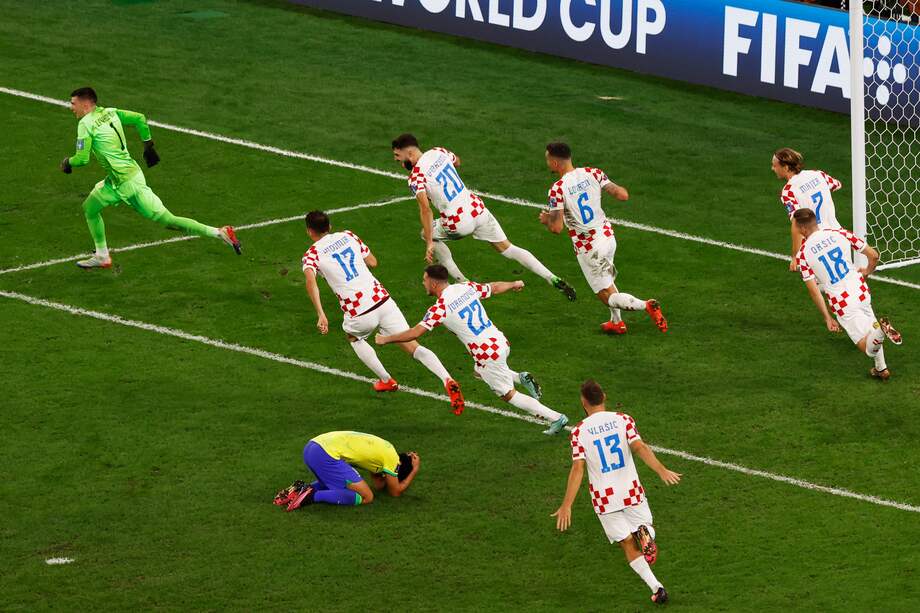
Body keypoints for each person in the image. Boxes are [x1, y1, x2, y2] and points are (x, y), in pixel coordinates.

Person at [375, 264, 569, 435]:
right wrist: (514, 283)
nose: (423, 284)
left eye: (424, 280)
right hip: (499, 340)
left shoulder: (440, 308)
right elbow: (493, 287)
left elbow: (415, 333)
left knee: (508, 395)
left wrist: (386, 338)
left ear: (434, 283)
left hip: (486, 353)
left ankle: (555, 417)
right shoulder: (465, 287)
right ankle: (520, 377)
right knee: (479, 372)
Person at [302, 211, 464, 413]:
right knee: (411, 344)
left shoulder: (312, 254)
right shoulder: (349, 235)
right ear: (330, 226)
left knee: (354, 338)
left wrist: (321, 313)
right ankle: (447, 378)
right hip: (381, 299)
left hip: (358, 310)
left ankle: (386, 379)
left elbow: (311, 283)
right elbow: (373, 262)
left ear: (310, 231)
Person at [61, 87, 240, 269]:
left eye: (73, 103)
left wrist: (68, 162)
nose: (71, 107)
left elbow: (82, 159)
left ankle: (102, 256)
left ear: (85, 104)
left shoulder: (86, 124)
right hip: (130, 176)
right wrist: (148, 145)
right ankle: (219, 232)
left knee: (164, 220)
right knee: (93, 208)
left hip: (124, 184)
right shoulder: (110, 112)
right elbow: (139, 118)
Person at [391, 133, 576, 301]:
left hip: (457, 222)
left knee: (425, 233)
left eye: (398, 157)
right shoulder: (438, 151)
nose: (398, 162)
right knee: (508, 248)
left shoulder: (415, 177)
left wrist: (430, 242)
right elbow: (457, 162)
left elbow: (425, 210)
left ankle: (464, 283)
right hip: (476, 208)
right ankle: (552, 277)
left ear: (408, 153)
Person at [552, 380, 681, 605]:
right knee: (646, 528)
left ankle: (657, 588)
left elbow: (578, 469)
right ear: (604, 396)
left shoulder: (579, 432)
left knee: (625, 542)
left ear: (583, 402)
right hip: (630, 488)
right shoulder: (623, 420)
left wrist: (567, 505)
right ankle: (646, 535)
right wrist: (661, 470)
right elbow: (639, 447)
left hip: (605, 497)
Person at [540, 142, 667, 335]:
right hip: (607, 237)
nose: (547, 163)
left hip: (589, 248)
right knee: (607, 281)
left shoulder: (557, 189)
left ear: (556, 162)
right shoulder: (593, 172)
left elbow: (556, 228)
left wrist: (546, 219)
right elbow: (622, 195)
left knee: (606, 295)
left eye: (548, 159)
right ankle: (616, 322)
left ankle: (646, 305)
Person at [792, 209, 902, 379]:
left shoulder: (803, 255)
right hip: (860, 288)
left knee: (867, 347)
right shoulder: (839, 232)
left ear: (801, 228)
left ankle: (882, 331)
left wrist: (827, 318)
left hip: (842, 301)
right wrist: (866, 272)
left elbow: (814, 291)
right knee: (870, 326)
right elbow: (874, 256)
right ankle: (881, 369)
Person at [274, 431, 420, 511]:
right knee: (366, 497)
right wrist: (414, 470)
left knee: (338, 483)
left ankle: (299, 490)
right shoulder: (392, 461)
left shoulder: (384, 451)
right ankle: (311, 496)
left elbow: (379, 485)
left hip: (313, 446)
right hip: (326, 454)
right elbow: (395, 492)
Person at [771, 147, 842, 271]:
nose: (772, 169)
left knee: (823, 287)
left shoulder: (788, 191)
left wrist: (795, 257)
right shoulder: (817, 174)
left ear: (786, 167)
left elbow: (797, 223)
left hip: (817, 246)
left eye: (775, 166)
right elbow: (837, 184)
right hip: (838, 236)